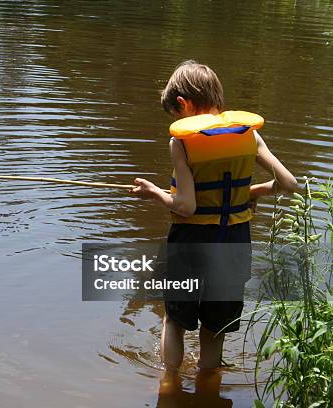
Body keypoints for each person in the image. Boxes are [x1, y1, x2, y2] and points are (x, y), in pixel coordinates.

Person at [130, 60, 297, 370]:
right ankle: (208, 387)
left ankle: (170, 386)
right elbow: (289, 183)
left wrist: (153, 192)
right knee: (214, 329)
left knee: (175, 320)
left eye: (175, 113)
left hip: (192, 242)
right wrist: (251, 193)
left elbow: (186, 207)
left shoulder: (181, 143)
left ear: (183, 104)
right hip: (234, 243)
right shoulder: (249, 136)